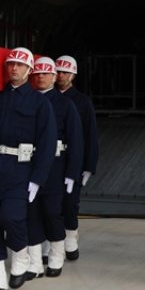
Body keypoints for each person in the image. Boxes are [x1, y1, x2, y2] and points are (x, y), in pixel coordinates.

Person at [0, 48, 57, 290]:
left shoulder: (40, 103)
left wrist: (37, 179)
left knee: (12, 218)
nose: (14, 69)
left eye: (19, 65)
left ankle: (20, 256)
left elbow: (48, 143)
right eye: (10, 65)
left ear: (29, 70)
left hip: (19, 171)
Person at [27, 57, 83, 278]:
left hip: (56, 166)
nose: (41, 77)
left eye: (45, 73)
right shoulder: (28, 100)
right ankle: (34, 261)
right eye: (37, 73)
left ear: (53, 76)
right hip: (29, 163)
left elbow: (76, 141)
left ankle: (56, 255)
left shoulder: (65, 105)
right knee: (31, 213)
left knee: (52, 212)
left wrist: (72, 173)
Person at [54, 55, 99, 261]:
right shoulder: (48, 97)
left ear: (73, 75)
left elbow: (90, 135)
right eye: (58, 72)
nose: (61, 76)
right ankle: (53, 241)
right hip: (53, 157)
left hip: (74, 157)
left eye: (65, 72)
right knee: (52, 202)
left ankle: (71, 237)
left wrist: (89, 165)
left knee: (71, 202)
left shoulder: (82, 101)